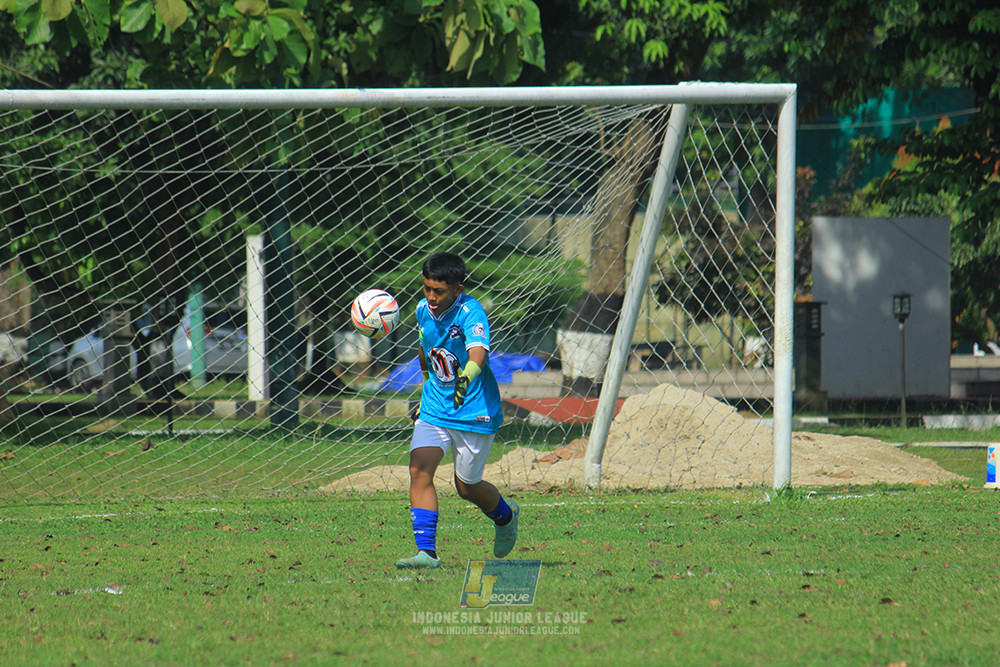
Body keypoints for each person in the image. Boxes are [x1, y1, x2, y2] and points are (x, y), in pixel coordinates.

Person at [396, 252, 519, 569]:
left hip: (473, 410)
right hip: (435, 407)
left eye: (439, 291)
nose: (431, 297)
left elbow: (477, 351)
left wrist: (468, 375)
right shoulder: (422, 309)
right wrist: (425, 387)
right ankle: (427, 553)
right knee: (419, 470)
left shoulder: (471, 311)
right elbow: (425, 349)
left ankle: (506, 517)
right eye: (427, 288)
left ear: (457, 288)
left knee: (467, 487)